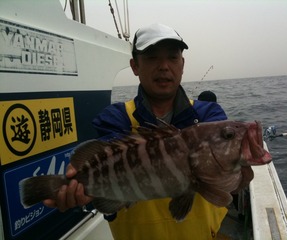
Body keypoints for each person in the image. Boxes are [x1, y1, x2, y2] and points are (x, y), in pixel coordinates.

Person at [44, 23, 230, 239]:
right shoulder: (116, 118)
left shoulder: (208, 115)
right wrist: (77, 188)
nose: (164, 66)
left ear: (182, 64)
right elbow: (106, 164)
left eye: (172, 57)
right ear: (134, 66)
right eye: (152, 57)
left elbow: (225, 176)